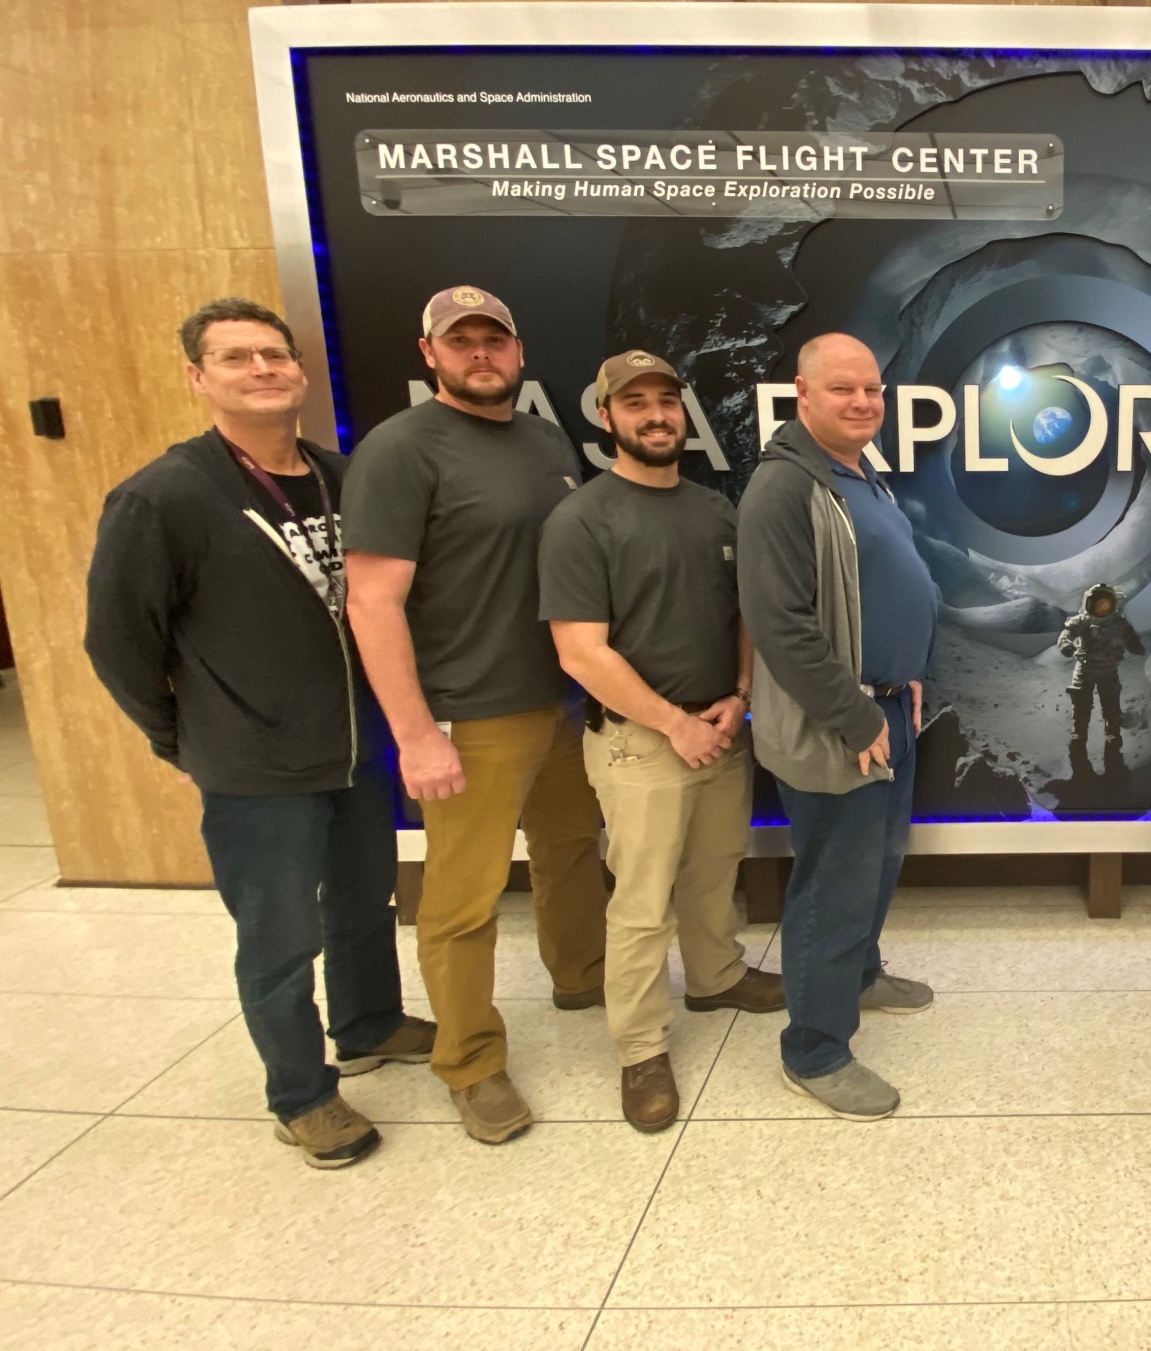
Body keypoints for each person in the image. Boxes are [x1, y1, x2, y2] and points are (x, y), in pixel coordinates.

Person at [85, 297, 434, 1170]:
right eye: (237, 359)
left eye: (275, 355)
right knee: (279, 937)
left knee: (363, 902)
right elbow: (118, 640)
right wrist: (182, 740)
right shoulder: (163, 497)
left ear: (301, 372)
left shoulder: (340, 476)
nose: (264, 370)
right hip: (253, 763)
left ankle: (368, 1022)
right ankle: (302, 1094)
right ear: (199, 378)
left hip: (356, 748)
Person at [342, 286, 607, 1145]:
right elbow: (373, 603)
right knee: (463, 899)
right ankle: (471, 1062)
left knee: (572, 853)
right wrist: (415, 735)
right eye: (462, 342)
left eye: (495, 338)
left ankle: (583, 977)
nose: (480, 354)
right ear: (431, 354)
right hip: (472, 713)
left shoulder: (542, 438)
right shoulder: (398, 450)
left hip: (563, 698)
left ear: (518, 351)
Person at [541, 350, 785, 1134]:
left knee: (715, 871)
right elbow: (580, 650)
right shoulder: (582, 519)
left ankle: (715, 977)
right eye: (635, 402)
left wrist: (738, 699)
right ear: (605, 416)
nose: (655, 415)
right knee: (642, 904)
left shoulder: (716, 511)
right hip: (641, 742)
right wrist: (672, 723)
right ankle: (640, 1046)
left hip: (719, 728)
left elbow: (744, 616)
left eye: (667, 402)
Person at [738, 332, 939, 1121]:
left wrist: (908, 672)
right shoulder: (782, 490)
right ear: (803, 395)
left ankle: (859, 972)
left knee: (880, 857)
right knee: (833, 877)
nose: (862, 403)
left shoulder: (861, 474)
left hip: (888, 706)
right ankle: (815, 1049)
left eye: (873, 390)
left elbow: (886, 584)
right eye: (844, 390)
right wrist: (856, 715)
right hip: (837, 721)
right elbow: (779, 624)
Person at [1057, 582, 1145, 761]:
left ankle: (1112, 733)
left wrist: (1135, 646)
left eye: (1106, 604)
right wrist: (1066, 645)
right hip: (1085, 668)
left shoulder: (1118, 623)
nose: (1102, 608)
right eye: (1099, 604)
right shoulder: (1084, 620)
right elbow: (1067, 633)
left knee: (1111, 702)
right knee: (1081, 701)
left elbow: (1129, 637)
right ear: (1089, 604)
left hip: (1108, 669)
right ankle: (1079, 734)